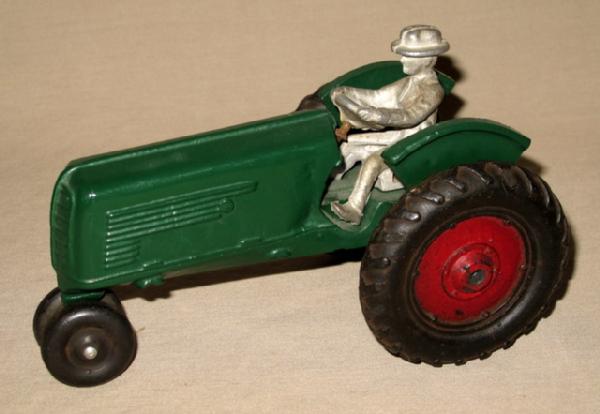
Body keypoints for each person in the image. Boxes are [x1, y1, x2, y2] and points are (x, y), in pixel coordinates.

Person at [330, 25, 449, 224]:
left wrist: (378, 115)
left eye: (408, 56)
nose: (402, 60)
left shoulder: (433, 90)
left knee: (373, 162)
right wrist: (348, 93)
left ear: (428, 60)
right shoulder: (407, 83)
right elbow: (378, 97)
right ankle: (330, 187)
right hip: (398, 136)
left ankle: (355, 209)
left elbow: (410, 116)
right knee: (348, 145)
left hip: (414, 144)